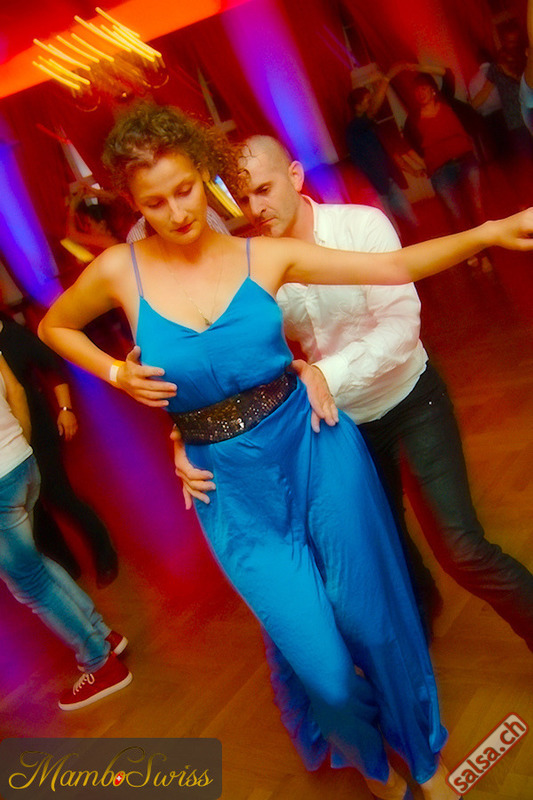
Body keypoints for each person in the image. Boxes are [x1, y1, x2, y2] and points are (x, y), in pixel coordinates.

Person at [38, 103, 533, 799]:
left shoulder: (259, 255)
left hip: (316, 449)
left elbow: (391, 265)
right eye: (155, 202)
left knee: (373, 623)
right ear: (133, 203)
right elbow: (56, 327)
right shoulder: (121, 269)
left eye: (185, 190)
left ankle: (422, 761)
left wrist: (487, 230)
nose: (177, 212)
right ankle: (371, 763)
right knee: (324, 670)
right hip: (232, 491)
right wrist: (118, 374)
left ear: (203, 177)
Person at [224, 135, 533, 654]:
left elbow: (401, 328)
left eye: (263, 189)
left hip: (412, 402)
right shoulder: (258, 266)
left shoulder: (360, 226)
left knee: (461, 549)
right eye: (243, 197)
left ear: (295, 176)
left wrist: (325, 374)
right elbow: (245, 355)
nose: (255, 208)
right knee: (385, 543)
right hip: (345, 426)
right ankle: (420, 615)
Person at [0, 353, 131, 710]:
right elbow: (15, 390)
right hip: (21, 462)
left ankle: (100, 664)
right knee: (36, 566)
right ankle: (101, 634)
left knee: (30, 585)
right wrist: (19, 449)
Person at [0, 310, 119, 587]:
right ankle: (67, 569)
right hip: (10, 444)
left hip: (38, 431)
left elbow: (52, 365)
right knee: (35, 514)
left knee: (59, 496)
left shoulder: (13, 335)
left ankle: (105, 553)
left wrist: (66, 410)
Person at [345, 68, 418, 233]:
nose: (370, 104)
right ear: (357, 106)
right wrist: (385, 79)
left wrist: (411, 170)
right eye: (367, 101)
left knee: (411, 219)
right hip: (373, 187)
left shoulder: (370, 126)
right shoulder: (355, 127)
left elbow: (387, 153)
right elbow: (373, 111)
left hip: (386, 181)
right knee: (391, 229)